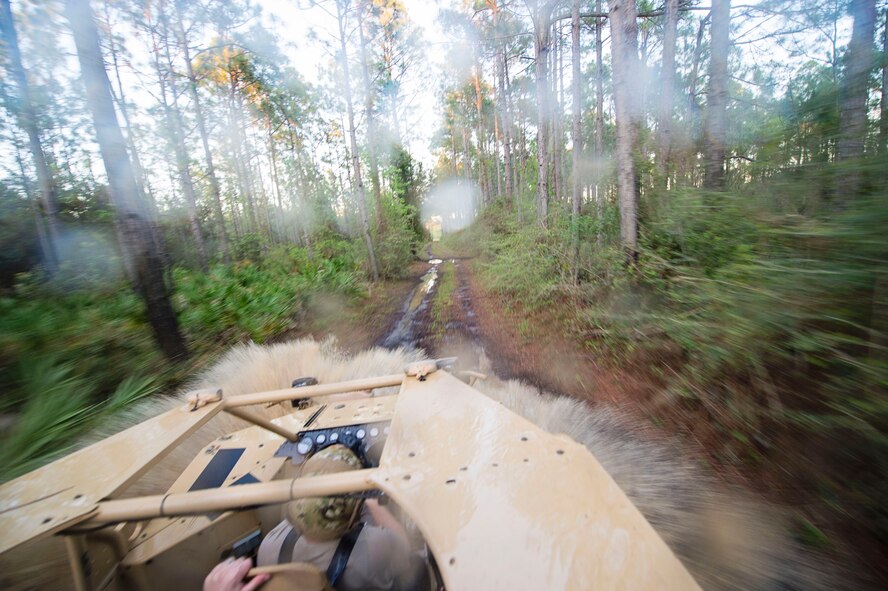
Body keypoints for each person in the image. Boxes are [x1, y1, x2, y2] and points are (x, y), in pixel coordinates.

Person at [204, 444, 427, 591]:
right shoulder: (377, 544)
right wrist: (368, 500)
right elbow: (405, 549)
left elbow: (302, 513)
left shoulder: (270, 543)